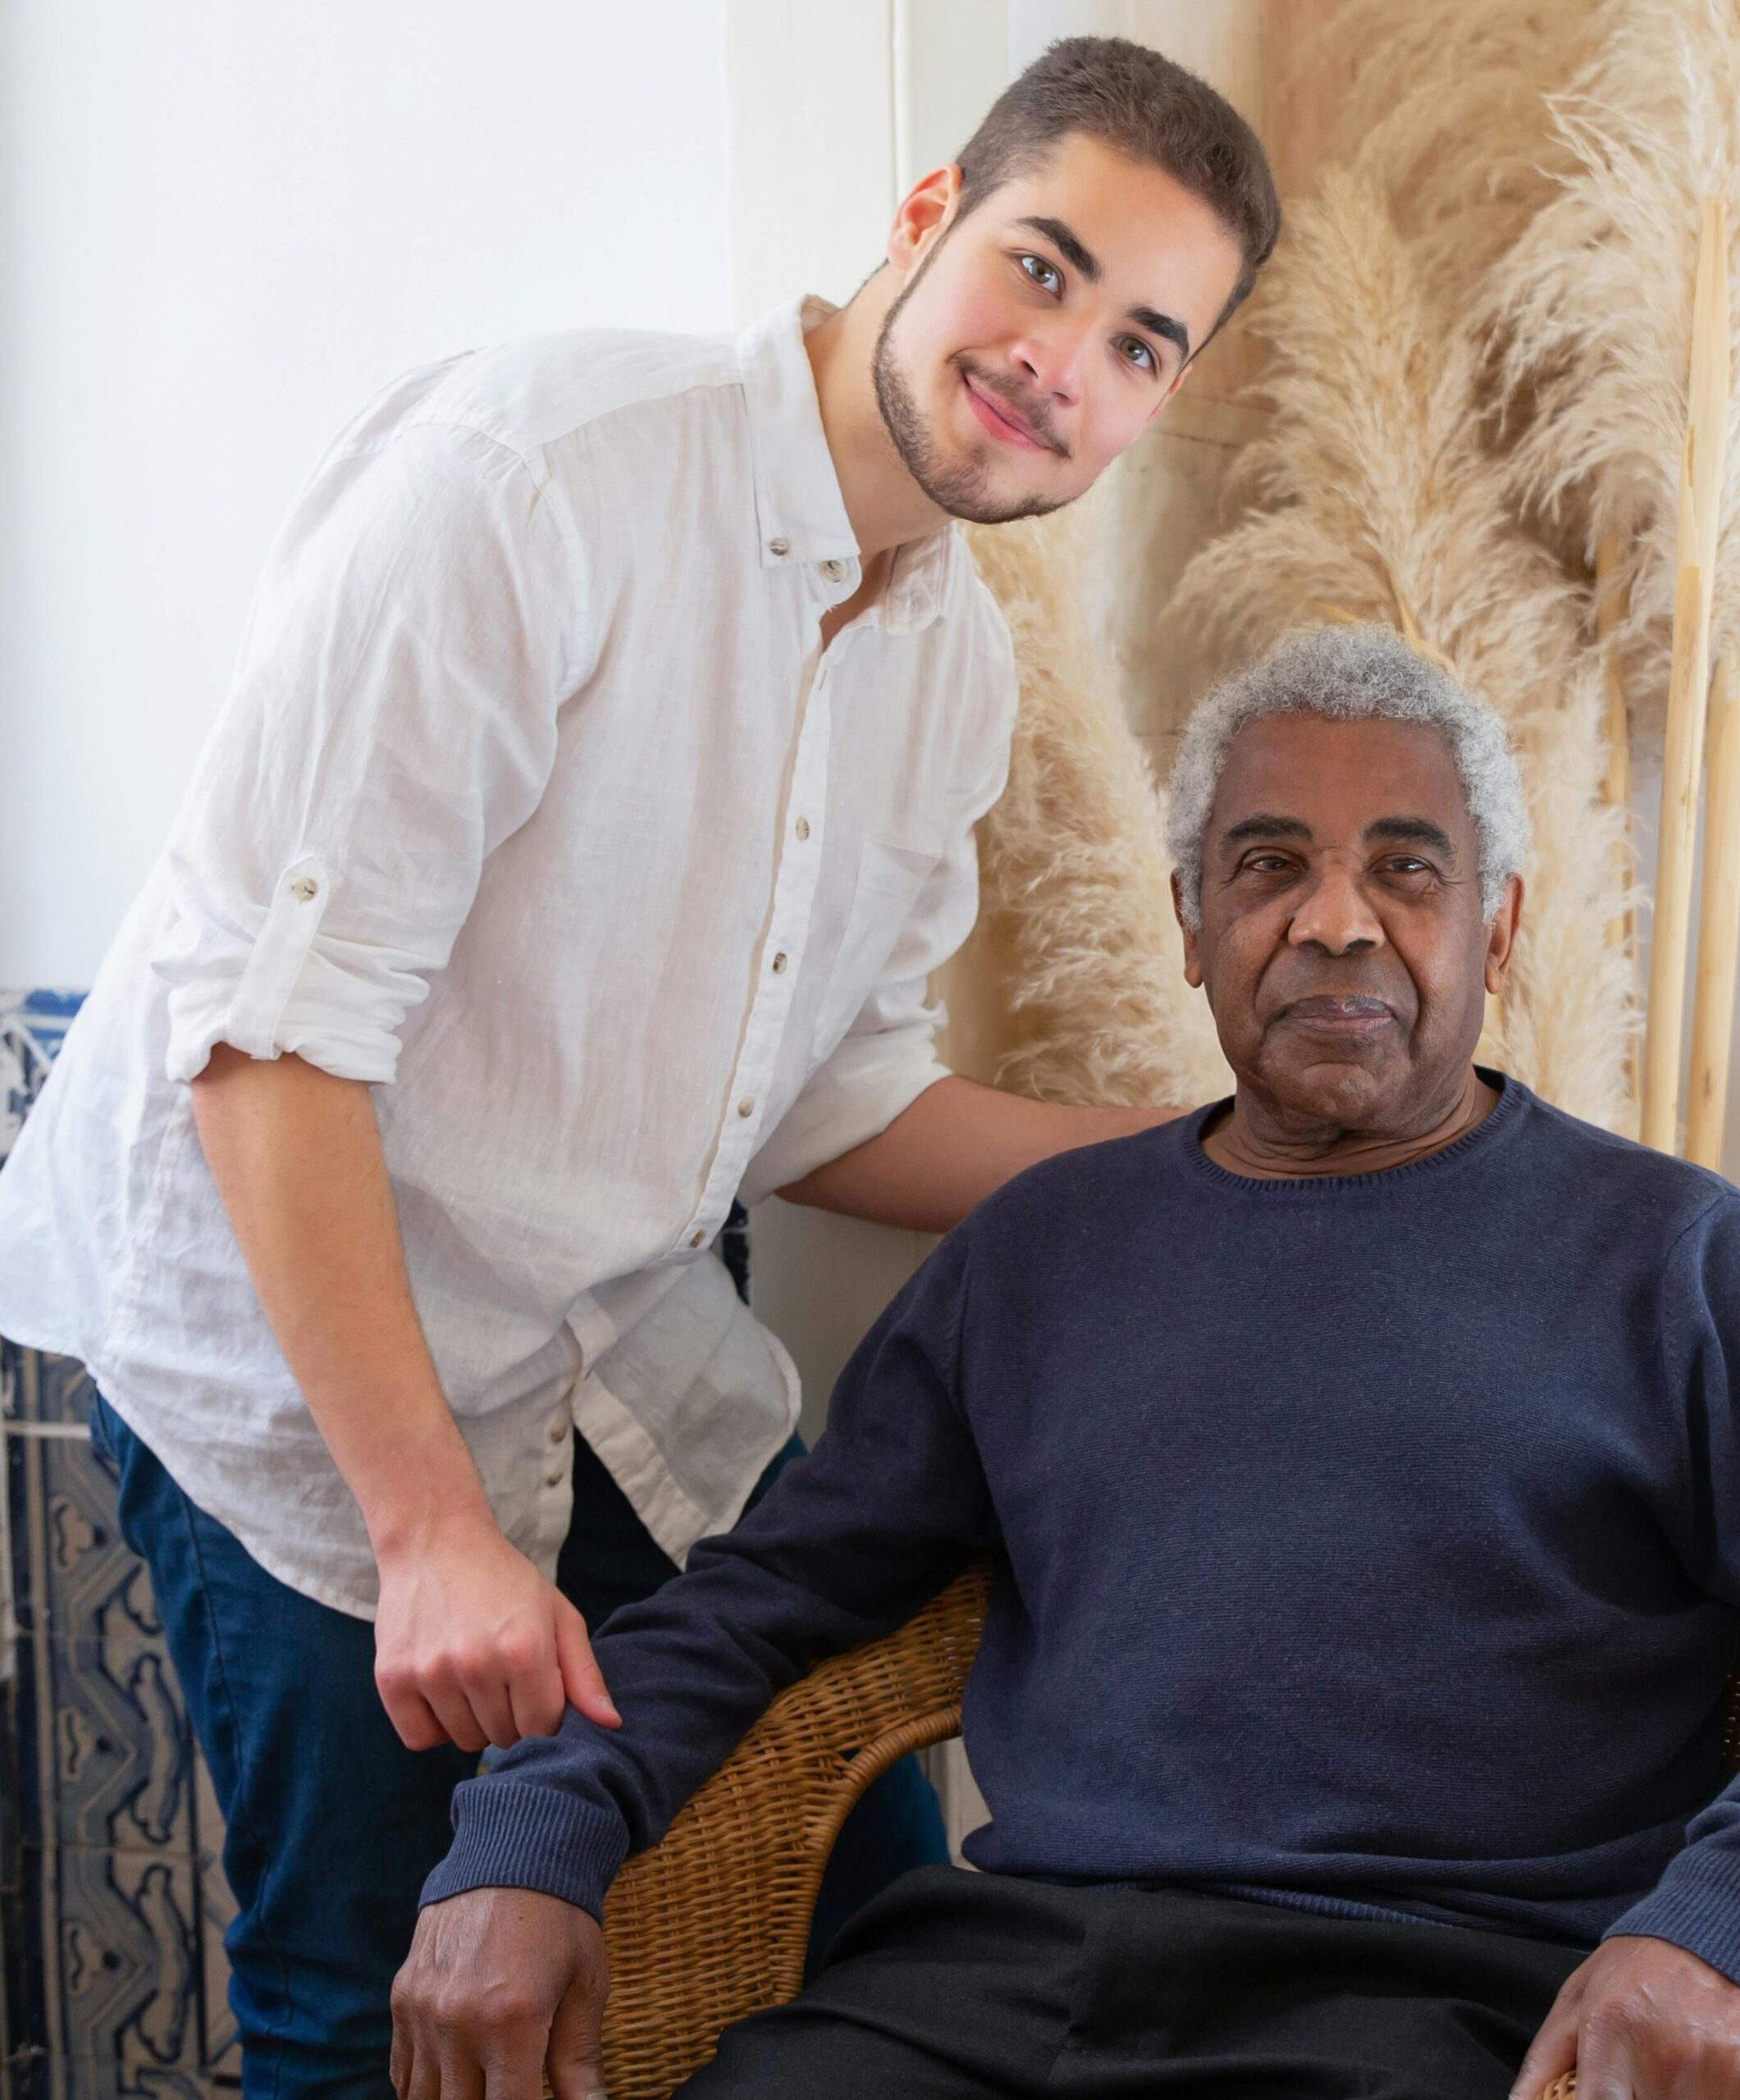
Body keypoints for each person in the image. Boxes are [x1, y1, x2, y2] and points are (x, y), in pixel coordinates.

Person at [0, 37, 1279, 2100]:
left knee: (863, 1899)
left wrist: (1225, 1155)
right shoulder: (542, 477)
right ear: (924, 218)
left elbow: (835, 1101)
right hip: (299, 1360)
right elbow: (266, 1049)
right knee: (376, 1994)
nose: (1064, 363)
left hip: (606, 1350)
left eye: (1138, 341)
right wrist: (428, 1533)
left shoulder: (950, 666)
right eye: (1042, 271)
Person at [391, 625, 1740, 2100]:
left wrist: (1737, 1923)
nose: (1334, 921)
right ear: (1189, 920)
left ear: (1498, 924)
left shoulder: (1667, 1257)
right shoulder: (1038, 1252)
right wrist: (535, 1832)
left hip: (1424, 2006)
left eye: (1404, 867)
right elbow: (764, 1601)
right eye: (1267, 864)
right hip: (990, 1984)